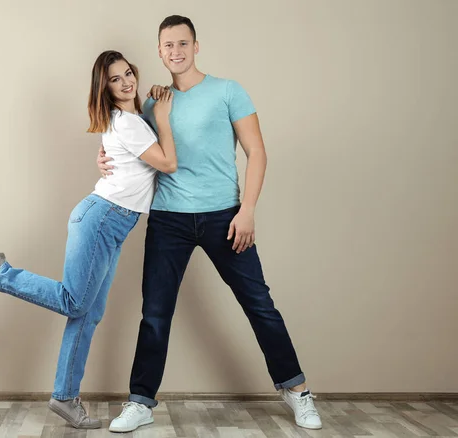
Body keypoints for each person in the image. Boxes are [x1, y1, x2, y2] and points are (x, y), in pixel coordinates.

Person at [99, 16, 322, 433]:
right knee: (155, 314)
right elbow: (135, 150)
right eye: (168, 45)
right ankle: (140, 401)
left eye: (183, 43)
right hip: (169, 220)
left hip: (225, 217)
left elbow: (257, 152)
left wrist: (248, 209)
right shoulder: (153, 104)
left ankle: (298, 391)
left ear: (196, 46)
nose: (175, 51)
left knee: (259, 305)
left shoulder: (227, 91)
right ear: (159, 50)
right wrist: (102, 157)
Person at [0, 50, 176, 430]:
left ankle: (65, 397)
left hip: (111, 221)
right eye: (115, 79)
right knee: (76, 301)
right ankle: (0, 273)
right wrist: (164, 120)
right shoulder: (129, 123)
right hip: (103, 218)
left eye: (127, 74)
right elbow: (167, 163)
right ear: (103, 88)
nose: (126, 82)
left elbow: (125, 160)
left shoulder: (126, 121)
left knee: (87, 313)